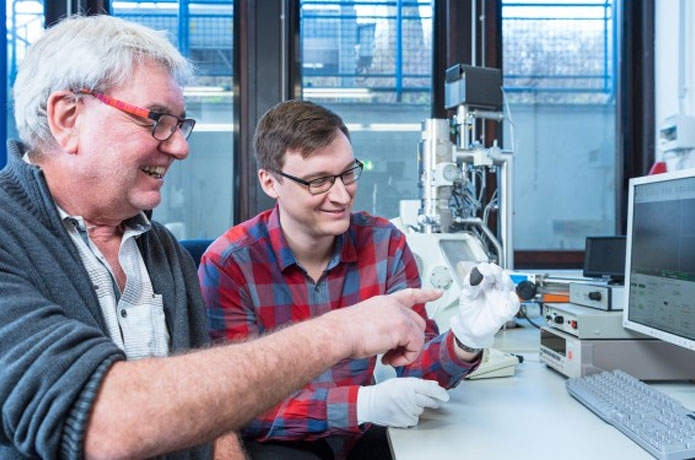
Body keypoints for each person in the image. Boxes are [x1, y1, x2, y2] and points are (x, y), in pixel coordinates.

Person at [0, 15, 442, 460]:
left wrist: (465, 342)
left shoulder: (161, 251)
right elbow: (99, 420)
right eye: (156, 120)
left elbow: (215, 419)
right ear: (68, 117)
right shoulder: (8, 234)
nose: (180, 147)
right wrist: (341, 331)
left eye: (179, 124)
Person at [199, 100, 521, 459]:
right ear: (270, 181)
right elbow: (237, 404)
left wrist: (465, 340)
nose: (341, 195)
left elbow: (415, 372)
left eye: (349, 172)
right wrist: (361, 404)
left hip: (358, 437)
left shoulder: (385, 244)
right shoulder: (228, 264)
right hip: (279, 444)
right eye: (318, 181)